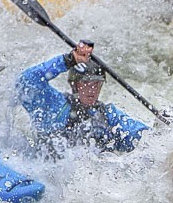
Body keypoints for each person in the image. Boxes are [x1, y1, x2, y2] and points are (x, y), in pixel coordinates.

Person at [14, 41, 148, 155]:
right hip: (49, 174)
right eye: (86, 83)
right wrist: (67, 61)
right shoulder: (53, 105)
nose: (92, 89)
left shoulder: (108, 116)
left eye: (96, 84)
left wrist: (162, 133)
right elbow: (26, 82)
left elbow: (141, 136)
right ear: (74, 84)